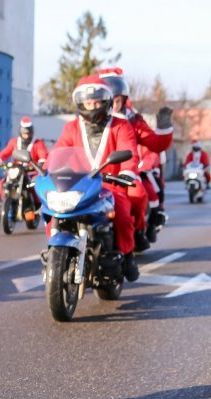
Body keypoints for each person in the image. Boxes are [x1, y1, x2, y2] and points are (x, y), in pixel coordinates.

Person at [51, 74, 140, 281]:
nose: (92, 106)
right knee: (55, 212)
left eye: (96, 101)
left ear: (105, 101)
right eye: (88, 102)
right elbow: (58, 151)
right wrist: (47, 171)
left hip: (110, 185)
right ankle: (56, 251)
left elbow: (129, 151)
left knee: (124, 215)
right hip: (78, 185)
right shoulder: (71, 127)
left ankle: (127, 256)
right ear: (80, 103)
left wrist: (126, 172)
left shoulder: (120, 125)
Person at [99, 67, 173, 251]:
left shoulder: (131, 120)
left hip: (124, 175)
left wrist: (164, 129)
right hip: (93, 177)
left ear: (123, 99)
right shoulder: (85, 121)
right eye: (107, 100)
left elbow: (155, 143)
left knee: (139, 194)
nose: (111, 105)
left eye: (115, 100)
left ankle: (138, 231)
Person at [0, 116, 49, 207]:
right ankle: (8, 202)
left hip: (31, 172)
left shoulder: (38, 143)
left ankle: (38, 207)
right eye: (24, 133)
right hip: (16, 171)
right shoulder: (14, 142)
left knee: (35, 186)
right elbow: (5, 152)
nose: (26, 135)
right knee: (1, 184)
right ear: (20, 132)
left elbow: (43, 154)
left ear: (32, 132)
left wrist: (42, 162)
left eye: (28, 133)